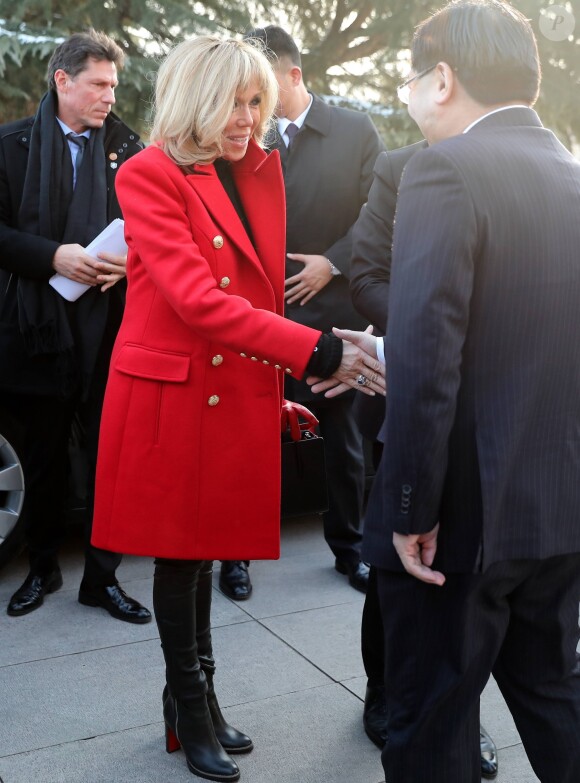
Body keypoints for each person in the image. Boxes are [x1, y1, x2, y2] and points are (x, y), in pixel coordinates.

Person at [90, 36, 384, 782]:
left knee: (207, 545)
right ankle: (190, 706)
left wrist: (272, 389)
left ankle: (196, 698)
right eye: (234, 102)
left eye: (257, 101)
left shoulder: (244, 170)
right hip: (170, 392)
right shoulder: (150, 172)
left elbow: (245, 298)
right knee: (180, 553)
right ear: (196, 97)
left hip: (219, 386)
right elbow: (198, 300)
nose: (249, 117)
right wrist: (316, 353)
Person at [312, 0, 580, 780]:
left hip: (461, 518)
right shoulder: (570, 173)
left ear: (442, 78)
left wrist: (409, 510)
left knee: (429, 720)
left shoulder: (444, 167)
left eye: (409, 78)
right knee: (553, 695)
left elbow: (428, 360)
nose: (405, 95)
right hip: (555, 506)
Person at [218, 25, 385, 602]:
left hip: (331, 312)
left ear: (291, 75)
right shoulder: (239, 136)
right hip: (254, 315)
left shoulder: (354, 130)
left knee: (344, 439)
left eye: (261, 88)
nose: (250, 104)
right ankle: (235, 556)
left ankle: (352, 548)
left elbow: (381, 211)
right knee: (249, 434)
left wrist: (332, 263)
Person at [350, 142, 497, 778]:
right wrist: (421, 323)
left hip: (497, 407)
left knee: (469, 584)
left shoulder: (514, 162)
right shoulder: (402, 166)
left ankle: (457, 717)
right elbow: (364, 275)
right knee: (399, 564)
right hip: (417, 382)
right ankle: (385, 693)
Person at [0, 30, 151, 624]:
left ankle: (102, 579)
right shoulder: (10, 145)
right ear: (62, 81)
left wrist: (126, 265)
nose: (109, 97)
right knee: (42, 459)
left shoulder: (130, 149)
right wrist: (53, 257)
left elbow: (152, 231)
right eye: (98, 84)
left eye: (113, 86)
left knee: (109, 459)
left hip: (108, 331)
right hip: (31, 331)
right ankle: (42, 569)